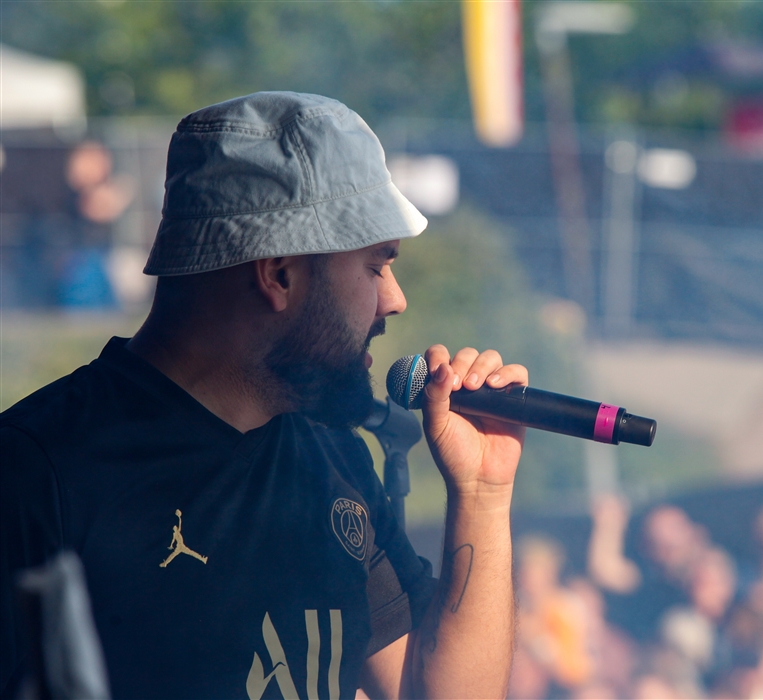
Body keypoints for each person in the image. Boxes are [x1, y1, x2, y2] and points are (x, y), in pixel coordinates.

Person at [1, 92, 524, 699]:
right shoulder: (36, 473)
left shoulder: (331, 454)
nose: (395, 299)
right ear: (278, 274)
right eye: (377, 265)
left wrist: (483, 496)